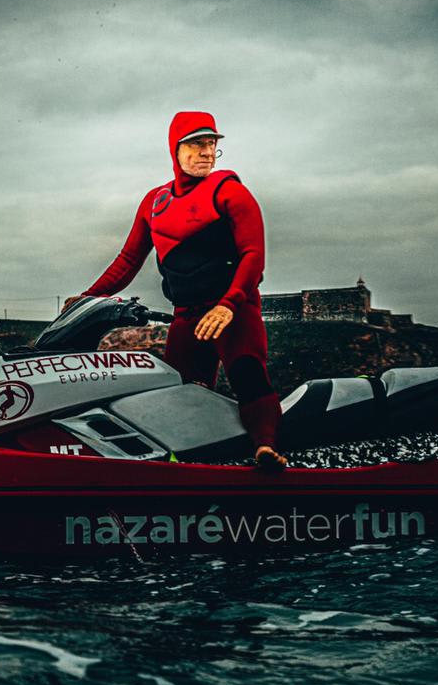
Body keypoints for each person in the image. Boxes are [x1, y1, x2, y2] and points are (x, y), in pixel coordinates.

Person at [72, 111, 287, 470]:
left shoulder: (230, 192)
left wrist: (229, 305)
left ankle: (265, 449)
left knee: (248, 374)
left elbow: (254, 256)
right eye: (197, 143)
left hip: (233, 311)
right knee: (183, 390)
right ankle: (195, 464)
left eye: (212, 144)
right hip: (187, 315)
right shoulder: (154, 203)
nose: (206, 152)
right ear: (176, 148)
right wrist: (87, 298)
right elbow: (128, 260)